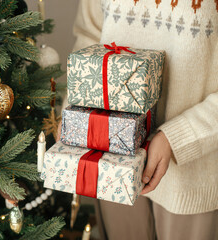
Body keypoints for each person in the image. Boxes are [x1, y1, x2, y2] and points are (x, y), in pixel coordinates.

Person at [71, 1, 218, 239]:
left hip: (190, 175)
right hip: (110, 160)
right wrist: (75, 111)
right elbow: (89, 36)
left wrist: (176, 137)